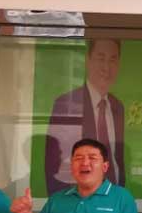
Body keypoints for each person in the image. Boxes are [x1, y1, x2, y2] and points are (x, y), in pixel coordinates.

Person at [13, 138, 140, 213]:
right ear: (72, 166)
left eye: (92, 158)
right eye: (78, 158)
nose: (85, 163)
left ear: (105, 167)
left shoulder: (122, 197)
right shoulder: (56, 199)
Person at [45, 38, 125, 194]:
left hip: (112, 196)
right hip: (75, 197)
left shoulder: (117, 106)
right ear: (88, 61)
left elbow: (117, 160)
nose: (106, 68)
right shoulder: (67, 103)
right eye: (100, 58)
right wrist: (62, 201)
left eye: (112, 60)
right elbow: (53, 164)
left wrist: (119, 193)